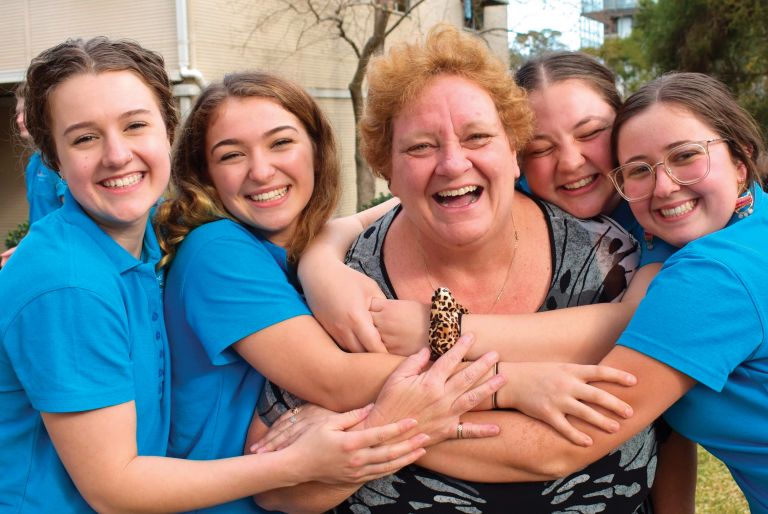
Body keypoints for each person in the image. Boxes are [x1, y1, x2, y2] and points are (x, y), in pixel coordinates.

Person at [0, 38, 454, 513]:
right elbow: (115, 489)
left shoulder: (139, 241)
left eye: (135, 125)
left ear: (166, 131)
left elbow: (339, 224)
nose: (117, 155)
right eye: (84, 138)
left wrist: (424, 193)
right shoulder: (74, 282)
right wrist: (298, 464)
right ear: (53, 156)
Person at [156, 70, 637, 514]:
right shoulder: (222, 252)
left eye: (280, 143)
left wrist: (327, 258)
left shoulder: (297, 252)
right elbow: (329, 378)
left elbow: (398, 203)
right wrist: (509, 384)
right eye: (231, 154)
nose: (261, 171)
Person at [257, 25, 664, 513]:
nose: (452, 163)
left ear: (513, 152)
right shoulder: (345, 288)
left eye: (477, 137)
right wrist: (321, 257)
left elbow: (660, 421)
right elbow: (277, 485)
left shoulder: (615, 258)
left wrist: (384, 421)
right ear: (386, 167)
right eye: (421, 147)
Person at [411, 71, 768, 513]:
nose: (664, 185)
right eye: (639, 169)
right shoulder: (712, 218)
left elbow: (559, 446)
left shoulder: (713, 272)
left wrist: (379, 429)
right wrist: (328, 248)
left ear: (741, 160)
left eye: (687, 155)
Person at [0, 82, 67, 267]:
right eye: (17, 113)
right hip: (42, 253)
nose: (19, 119)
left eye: (25, 112)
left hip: (61, 258)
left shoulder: (57, 160)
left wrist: (30, 249)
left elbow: (71, 215)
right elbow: (40, 220)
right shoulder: (34, 163)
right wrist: (24, 246)